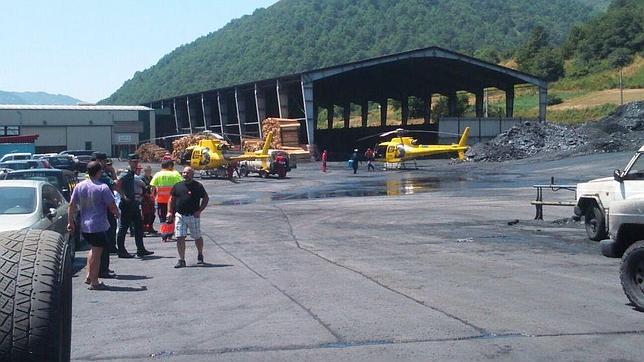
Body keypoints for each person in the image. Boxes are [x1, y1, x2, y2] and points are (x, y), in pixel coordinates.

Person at [67, 161, 120, 290]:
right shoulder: (102, 187)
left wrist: (70, 222)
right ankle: (94, 282)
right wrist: (117, 213)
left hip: (85, 225)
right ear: (98, 172)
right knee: (97, 254)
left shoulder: (80, 186)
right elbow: (111, 205)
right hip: (98, 225)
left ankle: (89, 276)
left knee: (93, 249)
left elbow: (71, 205)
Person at [167, 166, 209, 268]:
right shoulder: (177, 186)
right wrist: (169, 212)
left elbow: (206, 198)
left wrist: (199, 211)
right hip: (180, 215)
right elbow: (171, 199)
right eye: (184, 173)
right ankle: (181, 259)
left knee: (197, 236)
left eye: (188, 173)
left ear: (192, 174)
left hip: (193, 216)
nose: (185, 174)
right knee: (180, 237)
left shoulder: (198, 186)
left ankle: (200, 254)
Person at [115, 154, 154, 258]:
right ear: (129, 162)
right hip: (127, 204)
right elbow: (117, 185)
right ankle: (121, 251)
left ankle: (140, 249)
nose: (135, 163)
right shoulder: (125, 173)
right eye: (133, 161)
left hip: (134, 203)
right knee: (124, 228)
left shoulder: (132, 173)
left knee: (138, 227)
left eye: (137, 161)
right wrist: (123, 196)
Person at [91, 152, 117, 279]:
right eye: (103, 161)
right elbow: (115, 184)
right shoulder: (102, 175)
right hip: (104, 212)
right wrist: (112, 172)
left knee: (96, 246)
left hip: (93, 212)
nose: (105, 164)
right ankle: (102, 270)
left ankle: (97, 271)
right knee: (104, 243)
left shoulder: (88, 177)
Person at [150, 159, 184, 241]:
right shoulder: (175, 174)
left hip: (161, 200)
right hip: (173, 200)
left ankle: (164, 234)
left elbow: (152, 186)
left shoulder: (158, 174)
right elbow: (182, 184)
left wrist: (152, 196)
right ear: (169, 166)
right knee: (173, 216)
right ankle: (171, 233)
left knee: (162, 217)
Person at [141, 165, 157, 235]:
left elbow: (154, 187)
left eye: (150, 171)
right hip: (145, 198)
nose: (149, 172)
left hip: (151, 198)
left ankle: (150, 227)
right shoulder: (142, 178)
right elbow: (142, 188)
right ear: (144, 171)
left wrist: (153, 195)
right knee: (146, 214)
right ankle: (144, 227)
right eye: (147, 171)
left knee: (152, 213)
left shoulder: (151, 178)